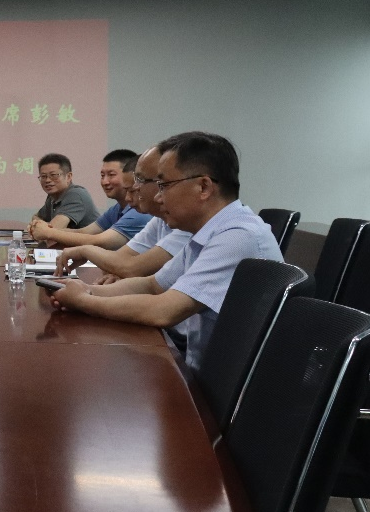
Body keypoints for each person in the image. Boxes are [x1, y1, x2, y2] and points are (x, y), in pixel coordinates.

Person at [49, 132, 282, 370]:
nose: (158, 197)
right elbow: (152, 285)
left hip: (219, 385)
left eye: (164, 185)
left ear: (203, 187)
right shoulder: (206, 231)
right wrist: (88, 290)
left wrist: (84, 302)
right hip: (202, 368)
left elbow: (164, 310)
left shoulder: (238, 236)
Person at [54, 146, 193, 283]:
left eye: (141, 181)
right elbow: (121, 260)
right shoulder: (158, 221)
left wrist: (85, 251)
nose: (134, 191)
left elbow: (130, 268)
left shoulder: (185, 227)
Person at [30, 149, 150, 249]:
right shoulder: (116, 209)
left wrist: (48, 232)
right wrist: (43, 228)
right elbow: (84, 232)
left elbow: (98, 241)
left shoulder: (140, 213)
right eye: (102, 175)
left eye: (111, 175)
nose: (105, 181)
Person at [30, 152, 99, 234]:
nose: (47, 180)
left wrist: (40, 227)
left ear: (69, 177)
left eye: (54, 175)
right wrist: (41, 225)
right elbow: (35, 217)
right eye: (43, 176)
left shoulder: (76, 195)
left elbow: (51, 232)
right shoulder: (52, 197)